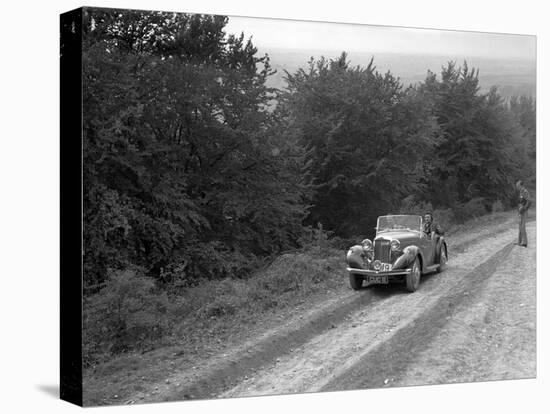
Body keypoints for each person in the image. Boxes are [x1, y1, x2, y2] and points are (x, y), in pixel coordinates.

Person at [515, 180, 531, 247]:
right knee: (520, 227)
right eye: (516, 186)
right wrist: (519, 209)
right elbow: (521, 201)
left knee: (522, 227)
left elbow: (529, 201)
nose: (517, 187)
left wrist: (524, 209)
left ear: (521, 185)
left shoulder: (525, 191)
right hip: (520, 211)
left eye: (517, 186)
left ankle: (525, 243)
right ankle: (519, 241)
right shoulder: (521, 192)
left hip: (523, 211)